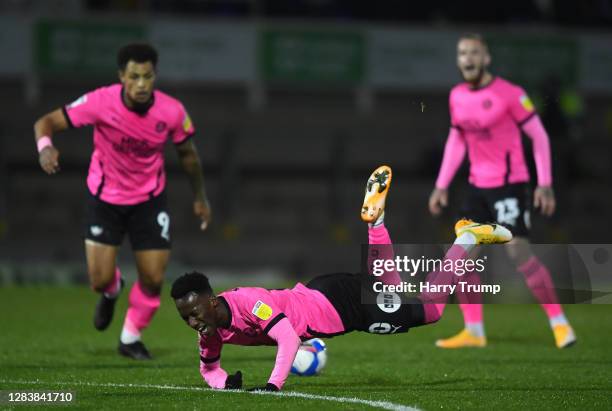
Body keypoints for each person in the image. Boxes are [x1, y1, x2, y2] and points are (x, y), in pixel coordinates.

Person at [171, 165, 512, 391]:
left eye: (196, 312)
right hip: (323, 293)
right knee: (387, 286)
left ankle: (466, 238)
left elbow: (288, 338)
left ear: (212, 301)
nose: (193, 322)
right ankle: (376, 223)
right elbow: (208, 370)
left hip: (341, 307)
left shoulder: (247, 303)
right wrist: (226, 383)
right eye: (186, 317)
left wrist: (273, 385)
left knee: (431, 310)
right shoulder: (211, 332)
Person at [34, 43, 212, 360]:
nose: (141, 84)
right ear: (121, 77)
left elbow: (188, 155)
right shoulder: (100, 102)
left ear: (155, 75)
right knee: (99, 279)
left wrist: (200, 197)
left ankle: (130, 338)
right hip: (105, 198)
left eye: (147, 76)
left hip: (149, 200)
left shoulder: (171, 111)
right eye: (134, 76)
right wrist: (45, 147)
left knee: (154, 278)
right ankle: (113, 290)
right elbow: (44, 123)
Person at [428, 34, 576, 349]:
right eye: (462, 53)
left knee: (518, 252)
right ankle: (474, 331)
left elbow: (539, 137)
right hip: (476, 187)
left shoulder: (510, 94)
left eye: (474, 53)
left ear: (486, 58)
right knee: (462, 255)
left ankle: (560, 324)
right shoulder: (457, 96)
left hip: (510, 184)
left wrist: (545, 184)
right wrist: (441, 185)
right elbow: (457, 141)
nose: (467, 58)